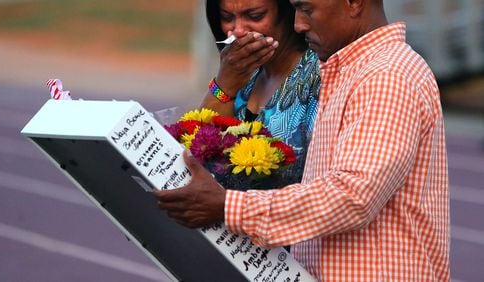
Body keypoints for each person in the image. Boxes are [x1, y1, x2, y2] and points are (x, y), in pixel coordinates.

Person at [155, 0, 450, 280]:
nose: (298, 24)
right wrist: (225, 84)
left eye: (306, 9)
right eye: (227, 17)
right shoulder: (347, 70)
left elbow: (353, 195)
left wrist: (228, 207)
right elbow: (199, 144)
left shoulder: (387, 75)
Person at [200, 0, 321, 188]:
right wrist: (223, 85)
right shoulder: (240, 69)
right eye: (227, 18)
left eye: (255, 16)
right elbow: (201, 148)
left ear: (288, 14)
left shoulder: (318, 74)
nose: (238, 30)